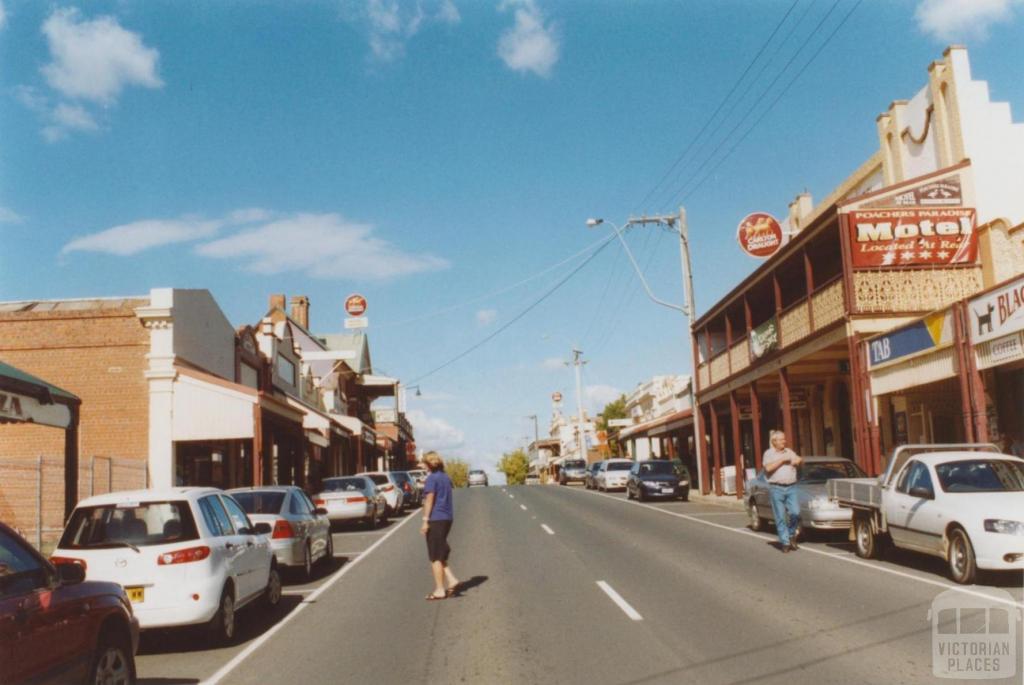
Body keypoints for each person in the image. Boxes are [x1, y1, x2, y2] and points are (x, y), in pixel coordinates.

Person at [421, 453, 460, 600]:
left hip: (436, 518)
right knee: (440, 551)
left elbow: (429, 500)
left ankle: (439, 590)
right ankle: (451, 579)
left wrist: (425, 520)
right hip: (447, 517)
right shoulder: (445, 477)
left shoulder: (432, 479)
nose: (423, 466)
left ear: (429, 464)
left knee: (435, 556)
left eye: (424, 463)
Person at [762, 429, 803, 553]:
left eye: (784, 439)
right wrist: (783, 460)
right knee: (780, 516)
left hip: (791, 487)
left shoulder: (789, 451)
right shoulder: (769, 454)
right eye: (781, 439)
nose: (784, 441)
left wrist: (798, 461)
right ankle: (785, 542)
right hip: (776, 488)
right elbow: (768, 468)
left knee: (795, 512)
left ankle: (791, 534)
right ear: (774, 441)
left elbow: (798, 459)